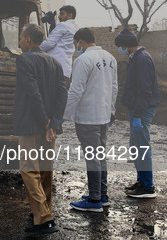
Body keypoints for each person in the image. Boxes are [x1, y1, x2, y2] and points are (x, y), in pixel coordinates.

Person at [14, 24, 67, 236]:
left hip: (31, 124)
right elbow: (62, 94)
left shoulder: (24, 60)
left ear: (28, 40)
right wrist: (54, 123)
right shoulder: (55, 62)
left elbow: (32, 92)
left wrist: (45, 121)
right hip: (49, 127)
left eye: (20, 38)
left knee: (29, 169)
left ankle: (43, 218)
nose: (19, 42)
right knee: (45, 170)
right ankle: (42, 212)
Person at [64, 28, 118, 212]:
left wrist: (64, 115)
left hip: (87, 118)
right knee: (100, 155)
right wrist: (111, 111)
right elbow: (114, 88)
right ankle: (101, 195)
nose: (75, 48)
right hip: (103, 116)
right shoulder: (110, 58)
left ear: (80, 41)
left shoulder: (82, 60)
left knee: (92, 158)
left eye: (75, 44)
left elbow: (75, 90)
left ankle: (94, 200)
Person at [115, 29, 160, 198]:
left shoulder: (141, 59)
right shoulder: (137, 58)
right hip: (138, 109)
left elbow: (144, 90)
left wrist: (139, 116)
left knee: (142, 146)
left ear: (125, 45)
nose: (119, 49)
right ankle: (141, 181)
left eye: (119, 46)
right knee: (136, 147)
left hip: (142, 109)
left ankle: (148, 187)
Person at [40, 5, 79, 83]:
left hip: (54, 66)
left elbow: (49, 44)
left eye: (62, 14)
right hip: (65, 68)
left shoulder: (63, 25)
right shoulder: (75, 27)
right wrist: (53, 26)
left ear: (70, 15)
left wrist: (36, 49)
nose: (59, 16)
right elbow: (60, 41)